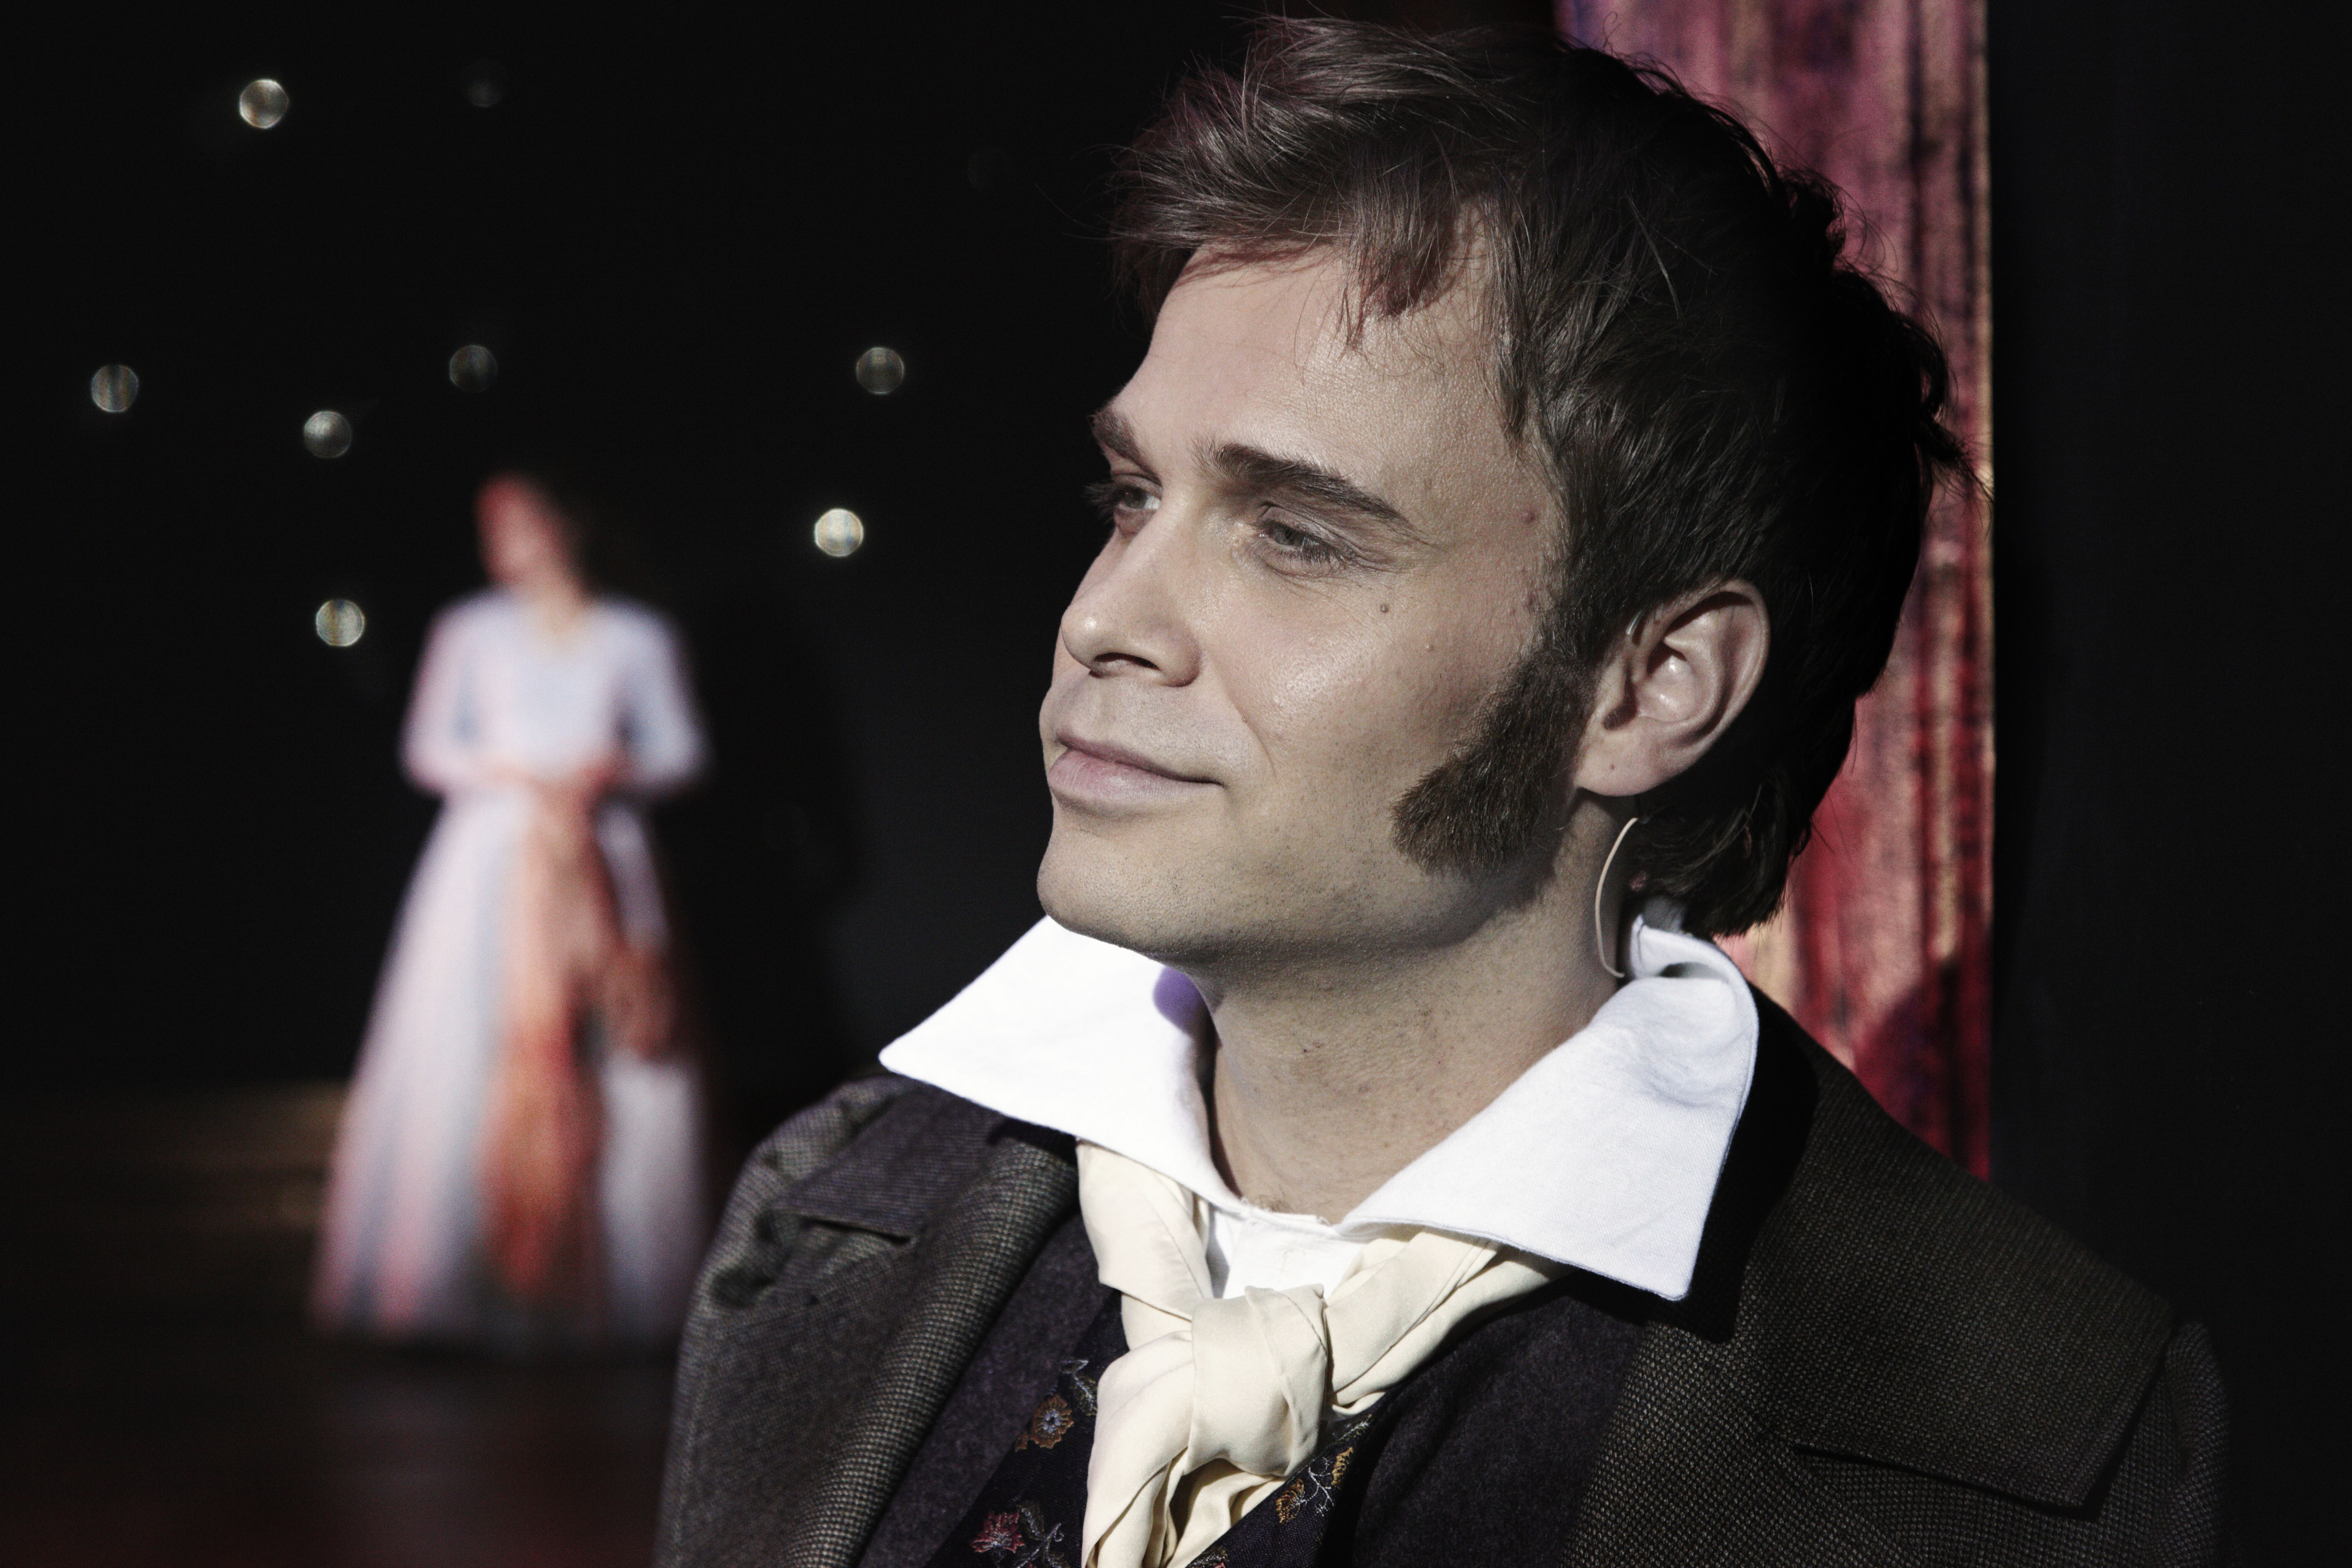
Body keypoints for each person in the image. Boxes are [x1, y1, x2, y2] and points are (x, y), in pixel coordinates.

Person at [657, 23, 2228, 1565]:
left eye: (1296, 534)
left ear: (1649, 687)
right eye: (1132, 494)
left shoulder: (2014, 1451)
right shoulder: (828, 1214)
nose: (1103, 618)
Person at [313, 470, 712, 1350]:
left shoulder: (634, 634)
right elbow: (429, 749)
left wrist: (610, 772)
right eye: (493, 529)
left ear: (566, 524)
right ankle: (460, 1284)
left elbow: (682, 751)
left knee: (621, 1037)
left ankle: (618, 1285)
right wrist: (517, 774)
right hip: (494, 855)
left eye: (521, 524)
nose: (505, 546)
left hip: (601, 850)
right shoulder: (471, 629)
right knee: (475, 1035)